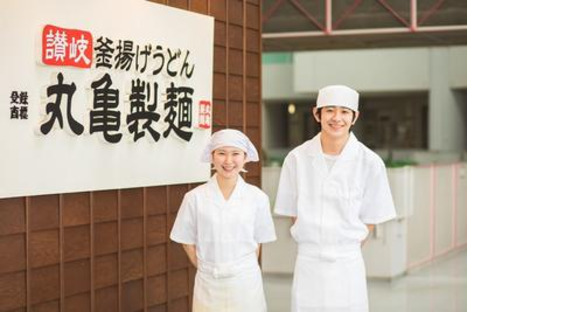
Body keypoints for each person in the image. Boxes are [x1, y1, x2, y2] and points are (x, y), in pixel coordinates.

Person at [274, 85, 397, 312]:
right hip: (308, 261)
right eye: (330, 110)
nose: (337, 118)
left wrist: (342, 246)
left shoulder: (370, 162)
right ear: (317, 114)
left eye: (344, 111)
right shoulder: (297, 159)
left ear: (355, 117)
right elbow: (293, 213)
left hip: (347, 263)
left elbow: (371, 216)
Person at [170, 129, 277, 312]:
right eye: (221, 153)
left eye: (235, 154)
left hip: (245, 284)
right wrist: (209, 267)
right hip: (209, 284)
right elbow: (186, 240)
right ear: (212, 156)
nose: (228, 161)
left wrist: (238, 268)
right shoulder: (194, 197)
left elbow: (258, 243)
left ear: (245, 157)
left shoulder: (257, 198)